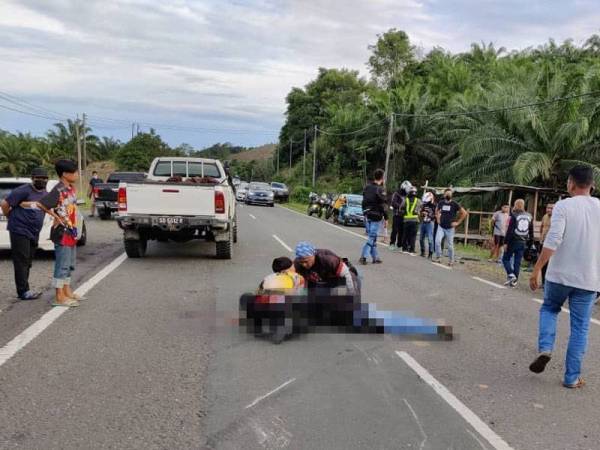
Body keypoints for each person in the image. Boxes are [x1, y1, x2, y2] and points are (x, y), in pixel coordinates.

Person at [529, 166, 600, 389]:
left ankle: (546, 348)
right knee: (580, 328)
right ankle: (571, 378)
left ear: (570, 183)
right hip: (588, 279)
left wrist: (537, 268)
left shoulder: (563, 206)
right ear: (592, 185)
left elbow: (553, 239)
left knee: (549, 308)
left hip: (559, 276)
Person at [38, 159, 82, 308]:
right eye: (74, 172)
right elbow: (42, 204)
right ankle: (59, 296)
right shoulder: (58, 189)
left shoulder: (71, 189)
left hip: (71, 231)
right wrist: (56, 216)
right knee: (62, 265)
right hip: (62, 232)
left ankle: (67, 291)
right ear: (64, 174)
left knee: (70, 265)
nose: (77, 174)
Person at [0, 167, 49, 300]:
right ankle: (23, 291)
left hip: (34, 231)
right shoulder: (23, 190)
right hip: (19, 229)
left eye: (45, 178)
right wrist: (10, 216)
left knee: (28, 260)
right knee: (21, 260)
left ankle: (25, 288)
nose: (42, 180)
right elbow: (5, 203)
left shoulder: (45, 193)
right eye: (39, 178)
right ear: (32, 178)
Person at [294, 241, 359, 292]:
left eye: (306, 261)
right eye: (301, 262)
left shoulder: (327, 260)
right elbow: (301, 283)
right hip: (323, 279)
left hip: (345, 277)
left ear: (313, 255)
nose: (304, 265)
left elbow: (347, 275)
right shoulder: (297, 264)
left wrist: (351, 295)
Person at [502, 199, 533, 287]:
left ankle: (511, 274)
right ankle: (514, 281)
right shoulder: (529, 216)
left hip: (513, 240)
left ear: (515, 205)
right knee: (517, 262)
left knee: (505, 259)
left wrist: (505, 242)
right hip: (523, 241)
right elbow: (531, 231)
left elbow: (510, 230)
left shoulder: (514, 215)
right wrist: (530, 243)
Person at [433, 188, 467, 266]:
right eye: (447, 193)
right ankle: (438, 257)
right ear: (444, 195)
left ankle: (451, 260)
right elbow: (436, 210)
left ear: (451, 195)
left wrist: (458, 222)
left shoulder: (454, 204)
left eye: (449, 193)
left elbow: (464, 213)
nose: (448, 195)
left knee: (450, 246)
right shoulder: (441, 203)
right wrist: (438, 218)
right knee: (437, 241)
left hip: (450, 228)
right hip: (441, 227)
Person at [359, 169, 387, 265]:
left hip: (367, 214)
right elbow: (383, 205)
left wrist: (364, 212)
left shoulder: (367, 187)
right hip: (376, 215)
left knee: (373, 236)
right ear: (382, 178)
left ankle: (375, 257)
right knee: (371, 237)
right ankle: (364, 256)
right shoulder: (380, 189)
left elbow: (363, 201)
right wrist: (386, 218)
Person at [400, 186, 420, 254]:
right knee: (413, 236)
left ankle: (404, 248)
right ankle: (412, 249)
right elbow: (421, 209)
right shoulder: (418, 201)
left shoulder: (406, 200)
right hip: (415, 220)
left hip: (406, 220)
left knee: (405, 235)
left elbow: (401, 208)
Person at [539, 203, 555, 283]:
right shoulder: (545, 216)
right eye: (548, 208)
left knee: (550, 263)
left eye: (551, 208)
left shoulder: (557, 218)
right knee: (543, 263)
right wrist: (541, 237)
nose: (549, 209)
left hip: (552, 245)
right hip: (543, 242)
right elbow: (541, 227)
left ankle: (549, 282)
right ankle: (543, 282)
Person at [418, 192, 436, 258]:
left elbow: (436, 216)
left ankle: (430, 253)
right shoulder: (424, 205)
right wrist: (422, 213)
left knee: (430, 239)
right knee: (421, 238)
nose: (426, 202)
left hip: (430, 223)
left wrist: (428, 215)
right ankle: (423, 251)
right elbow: (420, 213)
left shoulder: (434, 206)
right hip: (423, 222)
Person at [389, 184, 405, 251]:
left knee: (402, 231)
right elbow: (393, 203)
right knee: (395, 230)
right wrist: (400, 207)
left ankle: (399, 245)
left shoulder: (406, 195)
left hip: (404, 216)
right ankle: (392, 243)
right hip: (397, 215)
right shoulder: (396, 194)